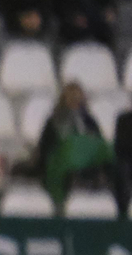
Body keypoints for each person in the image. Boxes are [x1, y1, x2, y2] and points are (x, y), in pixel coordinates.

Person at [38, 81, 116, 209]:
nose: (75, 102)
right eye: (71, 98)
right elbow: (45, 149)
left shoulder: (89, 121)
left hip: (89, 166)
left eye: (77, 98)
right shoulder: (54, 122)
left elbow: (98, 144)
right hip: (62, 168)